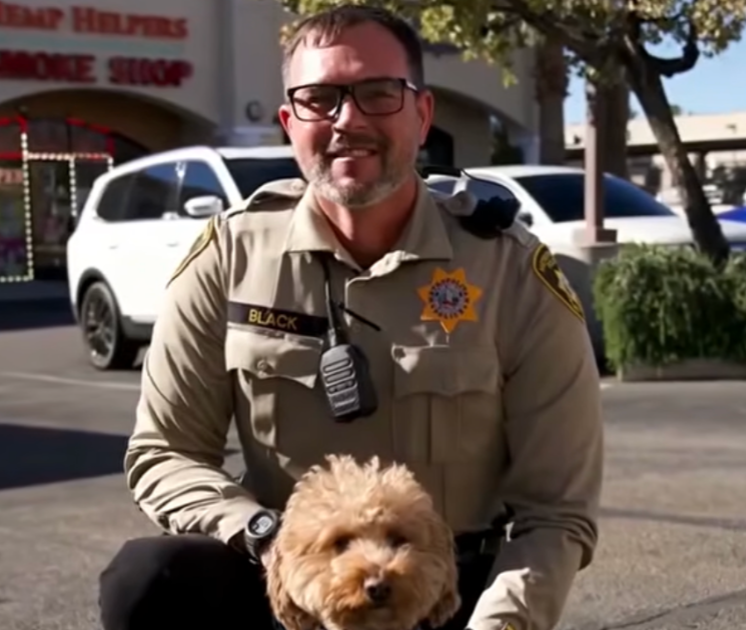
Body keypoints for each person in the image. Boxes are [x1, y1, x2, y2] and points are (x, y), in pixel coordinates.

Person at [96, 6, 604, 630]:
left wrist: (501, 623)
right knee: (149, 580)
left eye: (377, 94)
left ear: (421, 114)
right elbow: (165, 454)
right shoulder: (231, 257)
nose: (348, 120)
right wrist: (264, 536)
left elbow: (556, 511)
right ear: (289, 122)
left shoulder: (510, 272)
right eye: (319, 99)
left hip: (453, 595)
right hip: (289, 584)